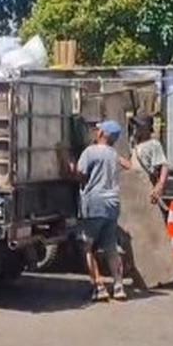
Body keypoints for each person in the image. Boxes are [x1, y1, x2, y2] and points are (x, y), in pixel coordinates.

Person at [70, 120, 131, 303]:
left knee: (87, 246)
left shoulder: (91, 152)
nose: (95, 132)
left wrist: (68, 163)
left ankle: (99, 287)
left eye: (98, 130)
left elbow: (80, 175)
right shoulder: (113, 154)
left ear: (102, 134)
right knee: (111, 248)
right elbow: (128, 166)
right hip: (112, 203)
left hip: (94, 203)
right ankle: (119, 287)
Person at [132, 115, 170, 206]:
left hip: (147, 186)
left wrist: (160, 185)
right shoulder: (135, 144)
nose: (136, 128)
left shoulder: (154, 144)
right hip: (135, 187)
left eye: (139, 126)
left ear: (147, 128)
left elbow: (164, 165)